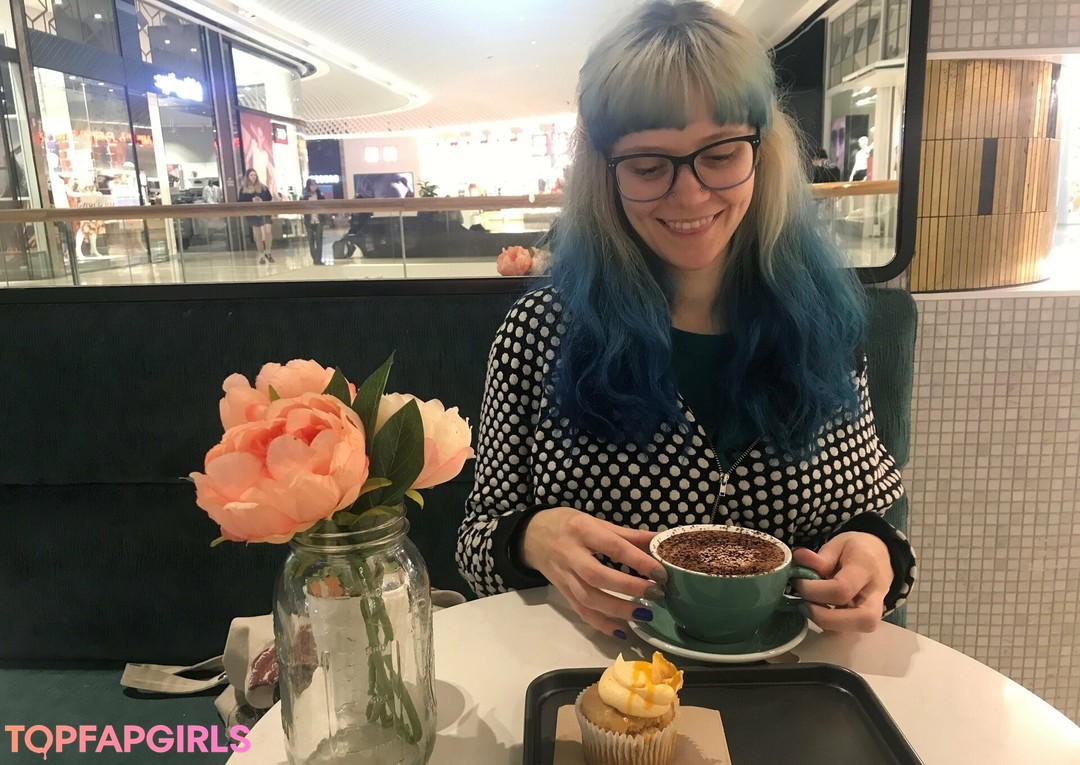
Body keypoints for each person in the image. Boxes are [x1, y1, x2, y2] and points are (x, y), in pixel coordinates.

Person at [456, 0, 915, 641]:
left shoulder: (824, 325)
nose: (691, 194)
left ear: (763, 151)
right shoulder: (539, 335)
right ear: (605, 174)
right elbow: (477, 543)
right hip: (603, 673)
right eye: (648, 166)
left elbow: (866, 513)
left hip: (787, 675)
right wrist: (530, 537)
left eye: (720, 155)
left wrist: (874, 555)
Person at [238, 169, 274, 264]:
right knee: (257, 235)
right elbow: (241, 201)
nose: (253, 177)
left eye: (255, 175)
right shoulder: (243, 189)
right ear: (247, 177)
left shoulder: (263, 187)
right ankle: (261, 254)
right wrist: (251, 200)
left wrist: (261, 200)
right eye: (251, 175)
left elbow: (269, 198)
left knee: (268, 231)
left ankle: (268, 251)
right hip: (253, 213)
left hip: (264, 211)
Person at [300, 178, 326, 265]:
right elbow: (301, 207)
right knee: (311, 240)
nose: (314, 186)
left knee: (319, 240)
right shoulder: (304, 196)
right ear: (308, 186)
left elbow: (325, 204)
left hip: (319, 220)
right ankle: (315, 258)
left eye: (315, 184)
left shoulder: (320, 195)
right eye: (312, 185)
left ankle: (319, 259)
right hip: (309, 220)